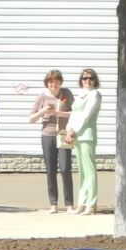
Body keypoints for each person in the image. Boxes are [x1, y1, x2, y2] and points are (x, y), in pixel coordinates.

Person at [29, 71, 73, 213]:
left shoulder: (66, 93)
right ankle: (53, 204)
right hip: (47, 134)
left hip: (63, 134)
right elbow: (31, 119)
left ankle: (69, 204)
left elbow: (75, 112)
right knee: (50, 170)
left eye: (56, 81)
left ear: (61, 82)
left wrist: (58, 113)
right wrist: (43, 111)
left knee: (65, 168)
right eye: (50, 82)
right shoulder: (42, 96)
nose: (53, 84)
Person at [66, 68, 103, 215]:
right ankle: (81, 203)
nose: (87, 81)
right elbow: (74, 114)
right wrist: (69, 129)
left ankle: (91, 204)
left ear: (95, 80)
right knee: (81, 171)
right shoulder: (81, 94)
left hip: (86, 135)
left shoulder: (95, 95)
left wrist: (74, 130)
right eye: (84, 78)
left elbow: (86, 116)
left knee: (90, 171)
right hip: (76, 135)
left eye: (90, 78)